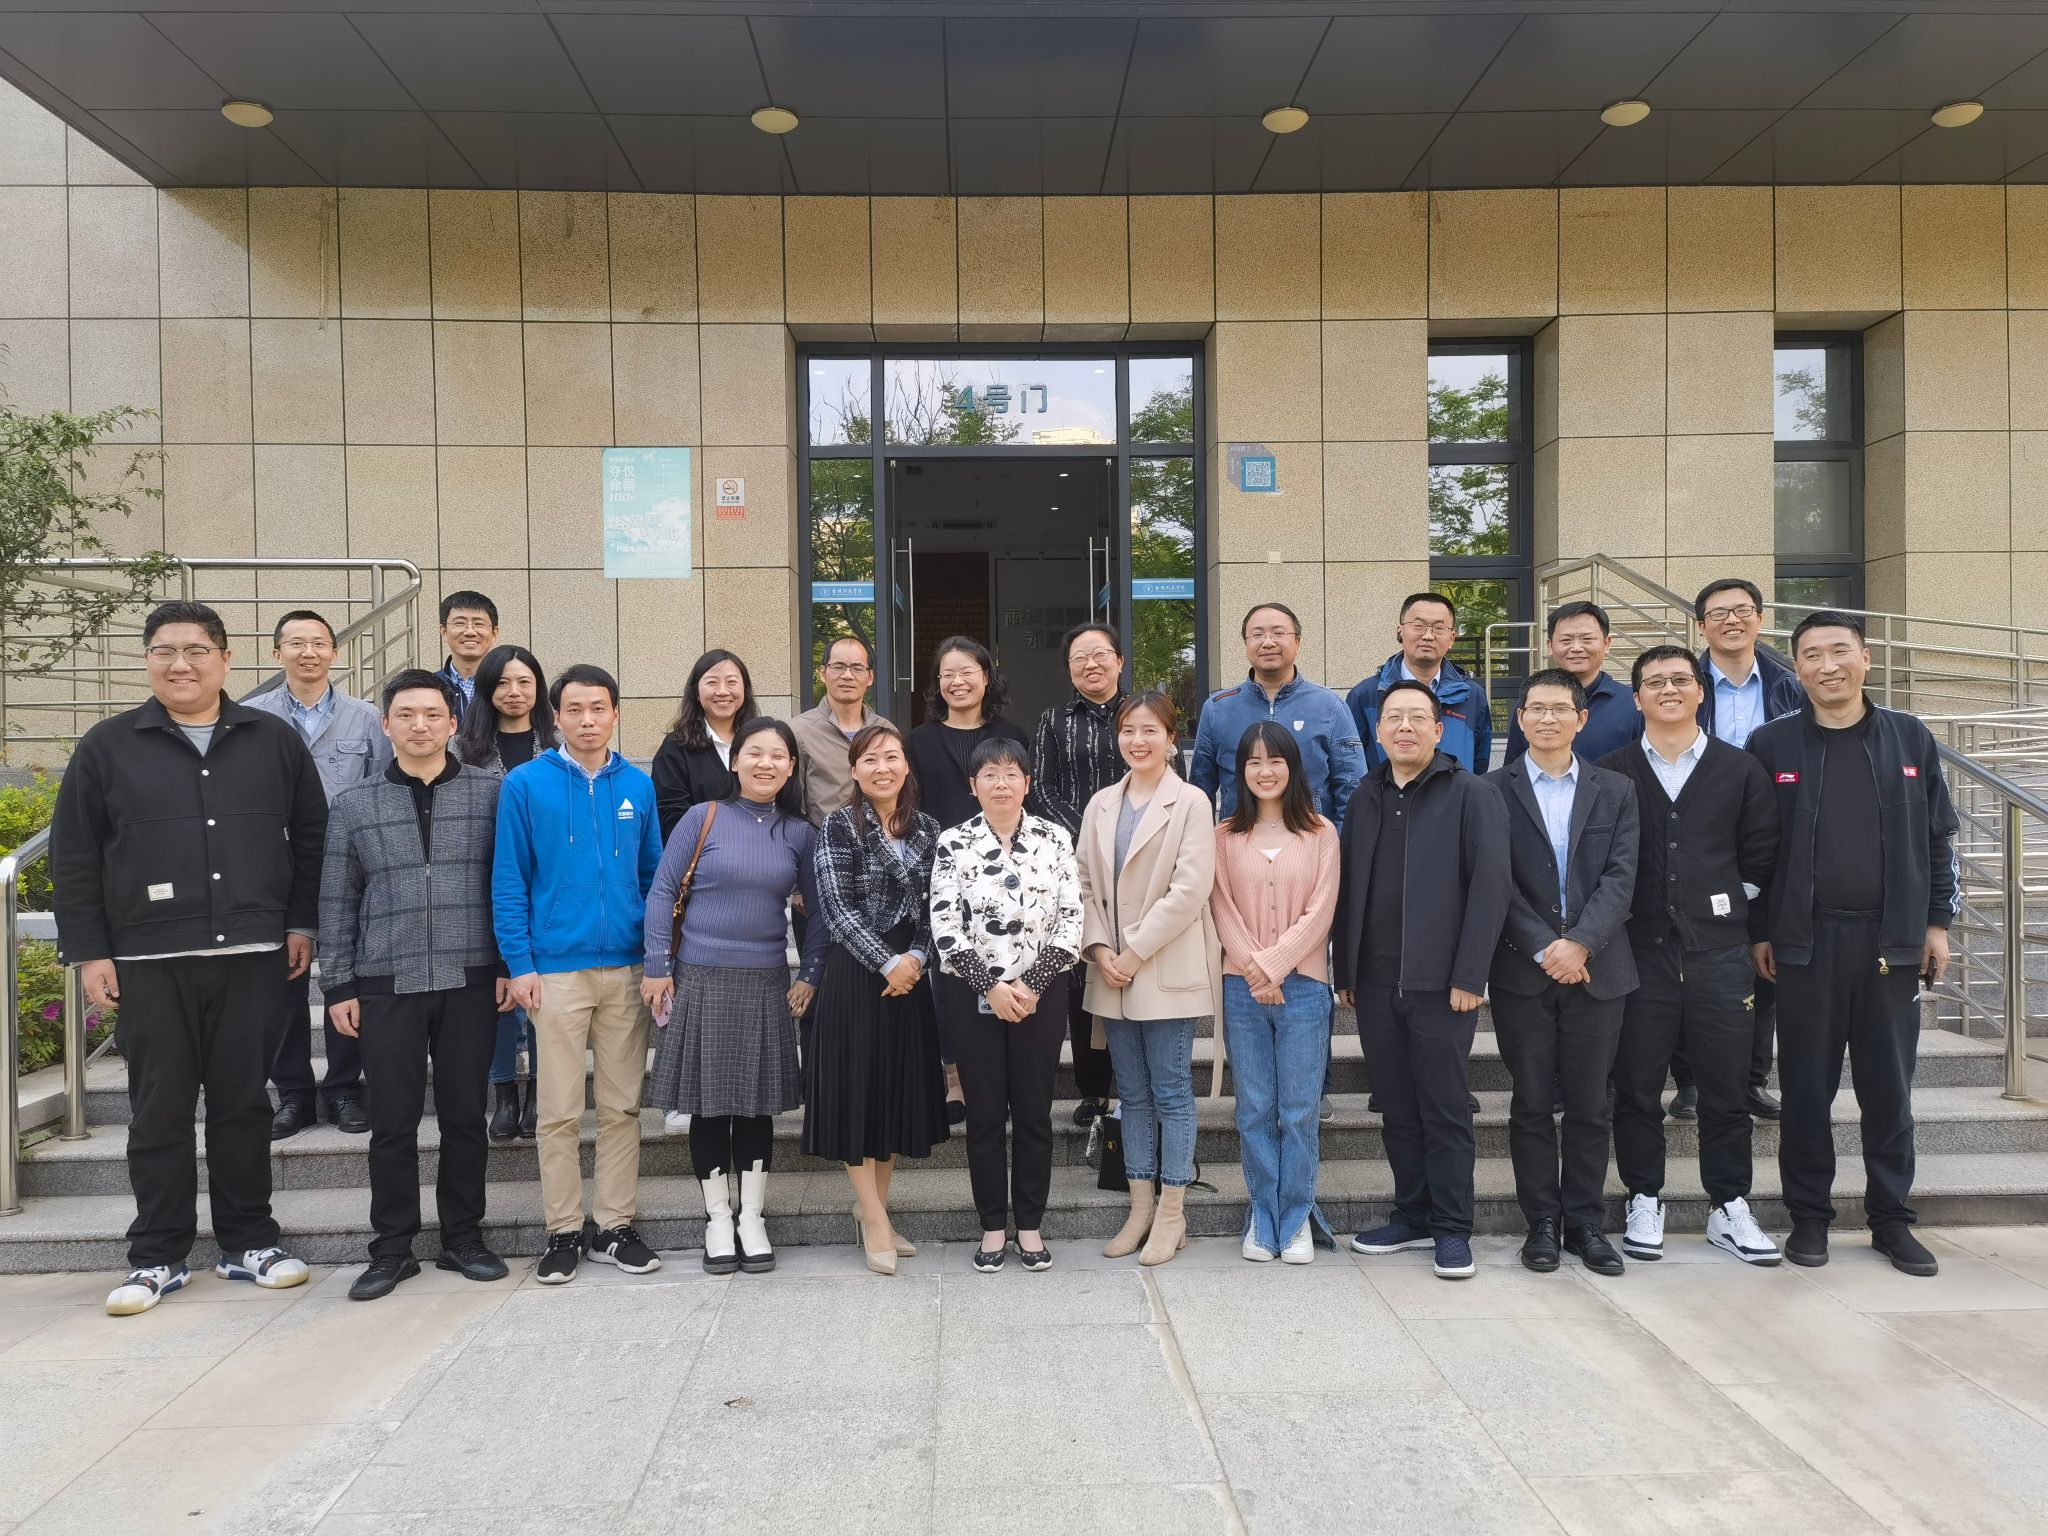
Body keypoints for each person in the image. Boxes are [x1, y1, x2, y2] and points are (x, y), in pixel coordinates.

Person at [51, 601, 323, 1316]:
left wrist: (301, 923)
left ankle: (248, 1242)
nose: (181, 664)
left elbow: (312, 837)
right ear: (147, 661)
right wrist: (89, 952)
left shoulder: (272, 739)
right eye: (165, 651)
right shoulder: (107, 747)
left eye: (197, 650)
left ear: (225, 660)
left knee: (243, 1104)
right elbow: (74, 857)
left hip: (254, 955)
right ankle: (157, 1255)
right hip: (148, 960)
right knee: (158, 1111)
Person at [1747, 611, 1957, 1278]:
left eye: (1840, 651)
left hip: (1891, 943)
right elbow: (1754, 851)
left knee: (1888, 1090)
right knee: (1805, 1090)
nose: (1827, 665)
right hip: (1804, 944)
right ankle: (1809, 1217)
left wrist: (1937, 923)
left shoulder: (1910, 737)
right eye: (1812, 654)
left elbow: (1937, 840)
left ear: (1866, 659)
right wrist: (1760, 931)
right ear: (1796, 667)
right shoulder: (1771, 744)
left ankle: (1891, 1220)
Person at [319, 669, 512, 1300]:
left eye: (432, 714)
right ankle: (392, 1248)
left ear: (453, 724)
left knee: (465, 1117)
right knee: (393, 1123)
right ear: (386, 724)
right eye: (405, 715)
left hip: (471, 976)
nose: (420, 725)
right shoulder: (355, 803)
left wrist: (508, 967)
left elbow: (510, 885)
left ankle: (463, 1237)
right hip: (386, 980)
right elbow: (336, 899)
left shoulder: (492, 793)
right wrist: (338, 985)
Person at [1598, 645, 1782, 1266]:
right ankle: (1643, 1196)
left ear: (1701, 691)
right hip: (1638, 955)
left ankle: (1728, 1205)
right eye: (1654, 682)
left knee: (1725, 1089)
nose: (1669, 689)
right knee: (1637, 1088)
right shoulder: (1613, 770)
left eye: (1681, 679)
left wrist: (1720, 904)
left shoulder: (1740, 769)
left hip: (1720, 954)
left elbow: (1761, 855)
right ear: (1637, 697)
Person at [492, 664, 663, 1286]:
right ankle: (563, 1230)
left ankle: (614, 1227)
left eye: (598, 708)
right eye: (575, 709)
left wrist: (656, 958)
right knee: (559, 1112)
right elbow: (508, 879)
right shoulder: (524, 784)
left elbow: (654, 877)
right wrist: (520, 964)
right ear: (556, 716)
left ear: (615, 713)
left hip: (626, 968)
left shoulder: (637, 785)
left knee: (622, 1107)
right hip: (555, 972)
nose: (587, 720)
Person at [1334, 680, 1510, 1282]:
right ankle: (1411, 1214)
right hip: (1376, 985)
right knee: (1397, 1108)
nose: (1404, 727)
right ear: (1378, 730)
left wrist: (1471, 973)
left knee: (1444, 1109)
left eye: (1417, 717)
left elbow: (1490, 887)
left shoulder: (1472, 794)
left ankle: (1452, 1227)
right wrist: (1346, 971)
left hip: (1444, 987)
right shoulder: (1366, 795)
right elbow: (1349, 887)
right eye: (1393, 718)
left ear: (1439, 730)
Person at [644, 718, 827, 1275]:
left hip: (766, 980)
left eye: (778, 755)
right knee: (708, 1106)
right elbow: (662, 891)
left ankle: (752, 1218)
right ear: (735, 761)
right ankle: (718, 1219)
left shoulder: (799, 833)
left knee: (755, 1107)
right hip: (699, 976)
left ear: (791, 768)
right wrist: (657, 966)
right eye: (755, 753)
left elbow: (819, 913)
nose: (765, 763)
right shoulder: (702, 817)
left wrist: (810, 973)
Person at [1489, 669, 1639, 1278]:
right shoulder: (1490, 790)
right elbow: (1493, 880)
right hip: (1522, 972)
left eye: (1560, 709)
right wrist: (1543, 947)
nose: (1547, 719)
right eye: (1536, 709)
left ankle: (1585, 1222)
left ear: (1581, 719)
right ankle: (1542, 1224)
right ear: (1520, 719)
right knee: (1529, 1102)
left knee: (1589, 1104)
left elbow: (1623, 877)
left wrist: (1579, 944)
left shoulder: (1616, 789)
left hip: (1599, 970)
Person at [929, 737, 1084, 1273]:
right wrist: (991, 987)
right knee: (986, 1116)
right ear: (973, 786)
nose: (1001, 783)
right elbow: (945, 925)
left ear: (1027, 783)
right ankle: (993, 1225)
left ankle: (1031, 1226)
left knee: (1035, 1113)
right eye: (990, 774)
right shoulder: (953, 842)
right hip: (972, 995)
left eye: (1011, 773)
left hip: (1043, 993)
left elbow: (1071, 920)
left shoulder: (1055, 838)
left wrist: (1032, 985)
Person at [1078, 692, 1219, 1269]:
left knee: (1172, 1093)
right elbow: (1082, 883)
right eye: (1128, 731)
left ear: (1171, 738)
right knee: (1131, 1094)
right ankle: (1139, 1207)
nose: (1138, 741)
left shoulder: (1191, 802)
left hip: (1162, 964)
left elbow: (1190, 888)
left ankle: (1172, 1213)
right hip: (1110, 967)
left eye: (1150, 730)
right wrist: (1099, 947)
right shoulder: (1101, 803)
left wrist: (1134, 951)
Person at [803, 721, 947, 1275]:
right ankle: (877, 1220)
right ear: (855, 771)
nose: (881, 768)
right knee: (857, 1094)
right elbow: (835, 908)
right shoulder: (839, 825)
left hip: (910, 975)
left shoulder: (929, 828)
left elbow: (939, 906)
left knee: (891, 1095)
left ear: (906, 766)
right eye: (869, 760)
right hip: (856, 974)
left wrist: (916, 958)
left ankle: (874, 1212)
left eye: (891, 757)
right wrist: (889, 963)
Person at [243, 609, 390, 1141]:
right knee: (283, 980)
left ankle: (345, 1088)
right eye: (296, 643)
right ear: (277, 652)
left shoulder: (366, 717)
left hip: (349, 866)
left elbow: (382, 791)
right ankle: (294, 1094)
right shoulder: (250, 717)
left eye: (319, 643)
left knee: (345, 974)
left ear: (334, 652)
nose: (308, 653)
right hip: (276, 868)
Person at [1676, 576, 1805, 1123]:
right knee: (1691, 956)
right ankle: (1689, 1081)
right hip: (1696, 832)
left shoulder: (1790, 687)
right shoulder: (1681, 681)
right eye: (1718, 613)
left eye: (1742, 610)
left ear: (1759, 618)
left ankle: (1752, 1078)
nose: (1731, 620)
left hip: (1771, 832)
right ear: (1701, 626)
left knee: (1763, 953)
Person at [1210, 721, 1339, 1264]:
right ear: (1241, 771)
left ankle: (1296, 1217)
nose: (1265, 772)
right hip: (1241, 991)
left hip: (1304, 989)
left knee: (1299, 1110)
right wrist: (1256, 969)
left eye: (1275, 761)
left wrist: (1276, 965)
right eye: (1254, 762)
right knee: (1255, 1108)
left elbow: (1321, 910)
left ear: (1293, 767)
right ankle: (1263, 1216)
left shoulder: (1321, 833)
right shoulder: (1223, 836)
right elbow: (1220, 908)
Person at [905, 635, 1031, 1125]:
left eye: (967, 672)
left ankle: (1006, 1073)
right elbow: (911, 808)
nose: (957, 682)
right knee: (948, 977)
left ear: (986, 677)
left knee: (1007, 964)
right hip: (944, 874)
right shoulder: (917, 740)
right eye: (947, 674)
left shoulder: (1011, 733)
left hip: (1007, 874)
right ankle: (955, 1075)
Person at [452, 643, 556, 1143]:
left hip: (544, 883)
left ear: (538, 688)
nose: (514, 692)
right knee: (494, 994)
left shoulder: (557, 747)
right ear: (486, 689)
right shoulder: (462, 749)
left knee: (540, 990)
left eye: (524, 682)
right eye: (502, 683)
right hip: (478, 882)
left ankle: (538, 1091)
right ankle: (504, 1093)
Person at [1030, 622, 1129, 1127]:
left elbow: (1166, 778)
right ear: (1069, 670)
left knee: (1132, 966)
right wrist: (1090, 832)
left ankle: (1133, 1086)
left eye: (1100, 655)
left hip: (1138, 858)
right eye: (1079, 659)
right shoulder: (1053, 721)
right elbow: (1040, 791)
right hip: (1073, 864)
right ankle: (1093, 1090)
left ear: (1119, 661)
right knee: (1082, 974)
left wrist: (1125, 833)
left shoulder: (1143, 714)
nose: (1091, 665)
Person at [1190, 601, 1363, 828]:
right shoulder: (1217, 709)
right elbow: (1200, 790)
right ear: (1246, 644)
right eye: (1257, 635)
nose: (1268, 642)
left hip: (1311, 840)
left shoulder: (1329, 705)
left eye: (1279, 633)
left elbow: (1351, 788)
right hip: (1238, 841)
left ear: (1297, 642)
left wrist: (1339, 843)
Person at [1347, 592, 1493, 774]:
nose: (1428, 636)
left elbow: (1480, 763)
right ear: (1400, 631)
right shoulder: (1366, 694)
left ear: (1451, 638)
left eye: (1439, 628)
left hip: (1457, 793)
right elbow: (1352, 764)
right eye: (1418, 626)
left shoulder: (1472, 695)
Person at [1502, 601, 1642, 766]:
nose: (1576, 648)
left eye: (1587, 639)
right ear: (1550, 646)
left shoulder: (1635, 704)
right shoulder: (1530, 703)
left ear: (1607, 644)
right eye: (1566, 640)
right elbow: (1513, 771)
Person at [652, 649, 755, 843]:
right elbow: (670, 816)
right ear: (697, 693)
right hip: (704, 856)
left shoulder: (759, 740)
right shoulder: (676, 747)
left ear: (744, 689)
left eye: (732, 682)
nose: (722, 691)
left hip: (762, 850)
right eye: (712, 682)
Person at [792, 634, 889, 826]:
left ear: (870, 677)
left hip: (881, 839)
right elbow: (793, 810)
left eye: (857, 668)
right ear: (823, 673)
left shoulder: (886, 731)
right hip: (819, 840)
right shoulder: (799, 732)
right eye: (838, 666)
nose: (847, 675)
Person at [434, 590, 500, 722]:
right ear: (444, 632)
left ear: (494, 633)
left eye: (479, 624)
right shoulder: (430, 686)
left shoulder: (509, 685)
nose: (470, 632)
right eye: (460, 623)